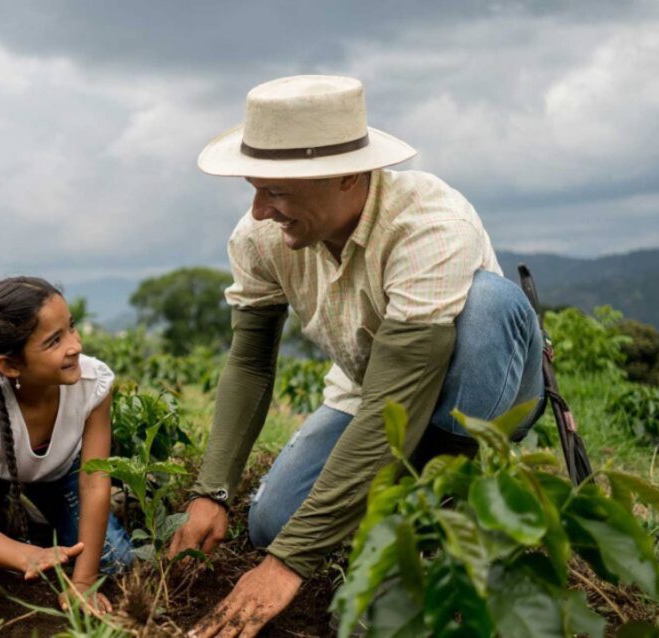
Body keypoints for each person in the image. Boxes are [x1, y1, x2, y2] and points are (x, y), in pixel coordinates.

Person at [168, 75, 546, 636]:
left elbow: (401, 397)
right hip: (368, 388)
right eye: (255, 187)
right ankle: (396, 508)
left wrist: (289, 565)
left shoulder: (428, 225)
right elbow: (249, 362)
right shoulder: (260, 238)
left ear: (347, 175)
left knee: (490, 303)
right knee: (272, 524)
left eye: (276, 191)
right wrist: (213, 491)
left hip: (479, 387)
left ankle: (448, 493)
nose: (260, 209)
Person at [0, 276, 133, 612]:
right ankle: (10, 511)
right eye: (54, 341)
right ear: (10, 366)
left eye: (71, 327)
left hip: (57, 471)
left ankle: (37, 511)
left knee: (117, 561)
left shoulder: (93, 384)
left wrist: (82, 583)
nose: (75, 345)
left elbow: (94, 484)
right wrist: (25, 555)